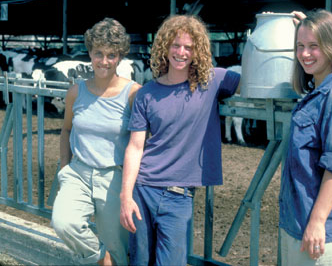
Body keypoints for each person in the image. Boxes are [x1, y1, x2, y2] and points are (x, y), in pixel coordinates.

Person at [118, 14, 241, 265]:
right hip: (143, 190)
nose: (181, 52)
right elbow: (135, 146)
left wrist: (293, 36)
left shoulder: (213, 81)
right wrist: (125, 195)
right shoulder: (146, 94)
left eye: (189, 47)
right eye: (176, 45)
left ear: (197, 51)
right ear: (165, 46)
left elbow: (260, 80)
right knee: (140, 261)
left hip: (179, 195)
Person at [51, 17, 142, 265]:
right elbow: (66, 130)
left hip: (114, 177)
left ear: (120, 56)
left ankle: (111, 257)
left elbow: (142, 142)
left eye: (111, 55)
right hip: (78, 172)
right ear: (89, 53)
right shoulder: (75, 92)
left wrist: (130, 189)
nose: (104, 61)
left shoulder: (133, 93)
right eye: (98, 53)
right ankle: (101, 259)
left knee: (119, 249)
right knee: (63, 222)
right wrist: (65, 170)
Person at [278, 9, 332, 265]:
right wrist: (307, 26)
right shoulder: (317, 92)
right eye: (300, 46)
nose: (304, 54)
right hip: (297, 224)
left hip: (322, 234)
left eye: (314, 46)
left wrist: (316, 222)